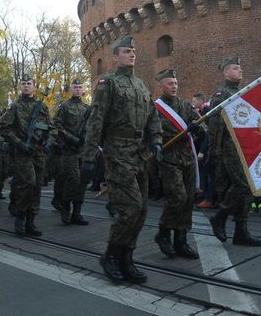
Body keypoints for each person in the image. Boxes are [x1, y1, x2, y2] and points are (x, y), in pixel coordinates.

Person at [82, 35, 163, 284]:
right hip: (117, 152)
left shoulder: (141, 85)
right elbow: (96, 120)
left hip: (139, 154)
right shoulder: (109, 83)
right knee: (131, 207)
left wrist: (157, 140)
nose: (132, 55)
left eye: (133, 51)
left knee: (141, 211)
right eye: (126, 51)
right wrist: (88, 156)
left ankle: (126, 258)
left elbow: (152, 116)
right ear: (115, 56)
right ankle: (110, 256)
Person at [208, 57, 261, 247]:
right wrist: (214, 151)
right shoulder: (221, 94)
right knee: (242, 185)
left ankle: (241, 231)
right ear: (225, 72)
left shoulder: (241, 92)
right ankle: (220, 217)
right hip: (229, 148)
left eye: (240, 67)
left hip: (244, 147)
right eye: (235, 68)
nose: (240, 71)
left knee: (247, 189)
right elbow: (215, 124)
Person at [153, 68, 202, 259]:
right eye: (169, 83)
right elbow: (152, 130)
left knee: (188, 199)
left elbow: (201, 126)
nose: (173, 86)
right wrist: (157, 144)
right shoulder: (155, 108)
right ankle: (164, 233)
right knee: (178, 198)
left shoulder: (184, 105)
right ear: (161, 86)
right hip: (169, 158)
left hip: (187, 158)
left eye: (175, 83)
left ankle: (181, 241)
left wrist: (197, 129)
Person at [0, 74, 51, 237]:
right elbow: (4, 129)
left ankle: (31, 220)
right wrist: (19, 143)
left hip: (39, 153)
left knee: (36, 187)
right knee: (27, 183)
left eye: (29, 83)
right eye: (24, 83)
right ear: (20, 86)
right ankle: (20, 217)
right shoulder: (15, 107)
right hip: (23, 153)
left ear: (34, 86)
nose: (26, 86)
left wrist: (49, 140)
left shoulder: (42, 106)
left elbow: (51, 127)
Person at [53, 78, 90, 225]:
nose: (77, 89)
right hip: (69, 150)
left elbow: (93, 128)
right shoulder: (65, 107)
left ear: (82, 90)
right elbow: (56, 126)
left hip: (84, 150)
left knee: (82, 182)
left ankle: (77, 213)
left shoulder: (88, 109)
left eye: (80, 87)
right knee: (73, 179)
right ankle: (65, 207)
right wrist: (71, 138)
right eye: (75, 87)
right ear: (70, 90)